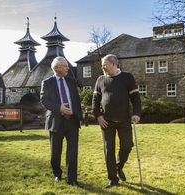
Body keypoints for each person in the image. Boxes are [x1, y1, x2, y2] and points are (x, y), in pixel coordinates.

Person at [92, 54, 141, 188]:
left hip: (124, 120)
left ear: (113, 64)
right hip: (106, 122)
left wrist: (137, 114)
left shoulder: (127, 77)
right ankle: (112, 178)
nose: (102, 67)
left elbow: (136, 98)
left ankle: (119, 166)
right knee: (109, 150)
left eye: (104, 64)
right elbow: (95, 100)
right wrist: (98, 116)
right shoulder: (100, 79)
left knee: (127, 146)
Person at [40, 56, 84, 188]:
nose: (68, 68)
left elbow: (76, 100)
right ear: (57, 68)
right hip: (56, 121)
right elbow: (44, 101)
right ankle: (57, 175)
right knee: (56, 151)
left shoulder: (71, 81)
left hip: (72, 121)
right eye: (65, 66)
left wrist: (80, 117)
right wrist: (59, 108)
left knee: (72, 150)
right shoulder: (47, 82)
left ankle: (72, 179)